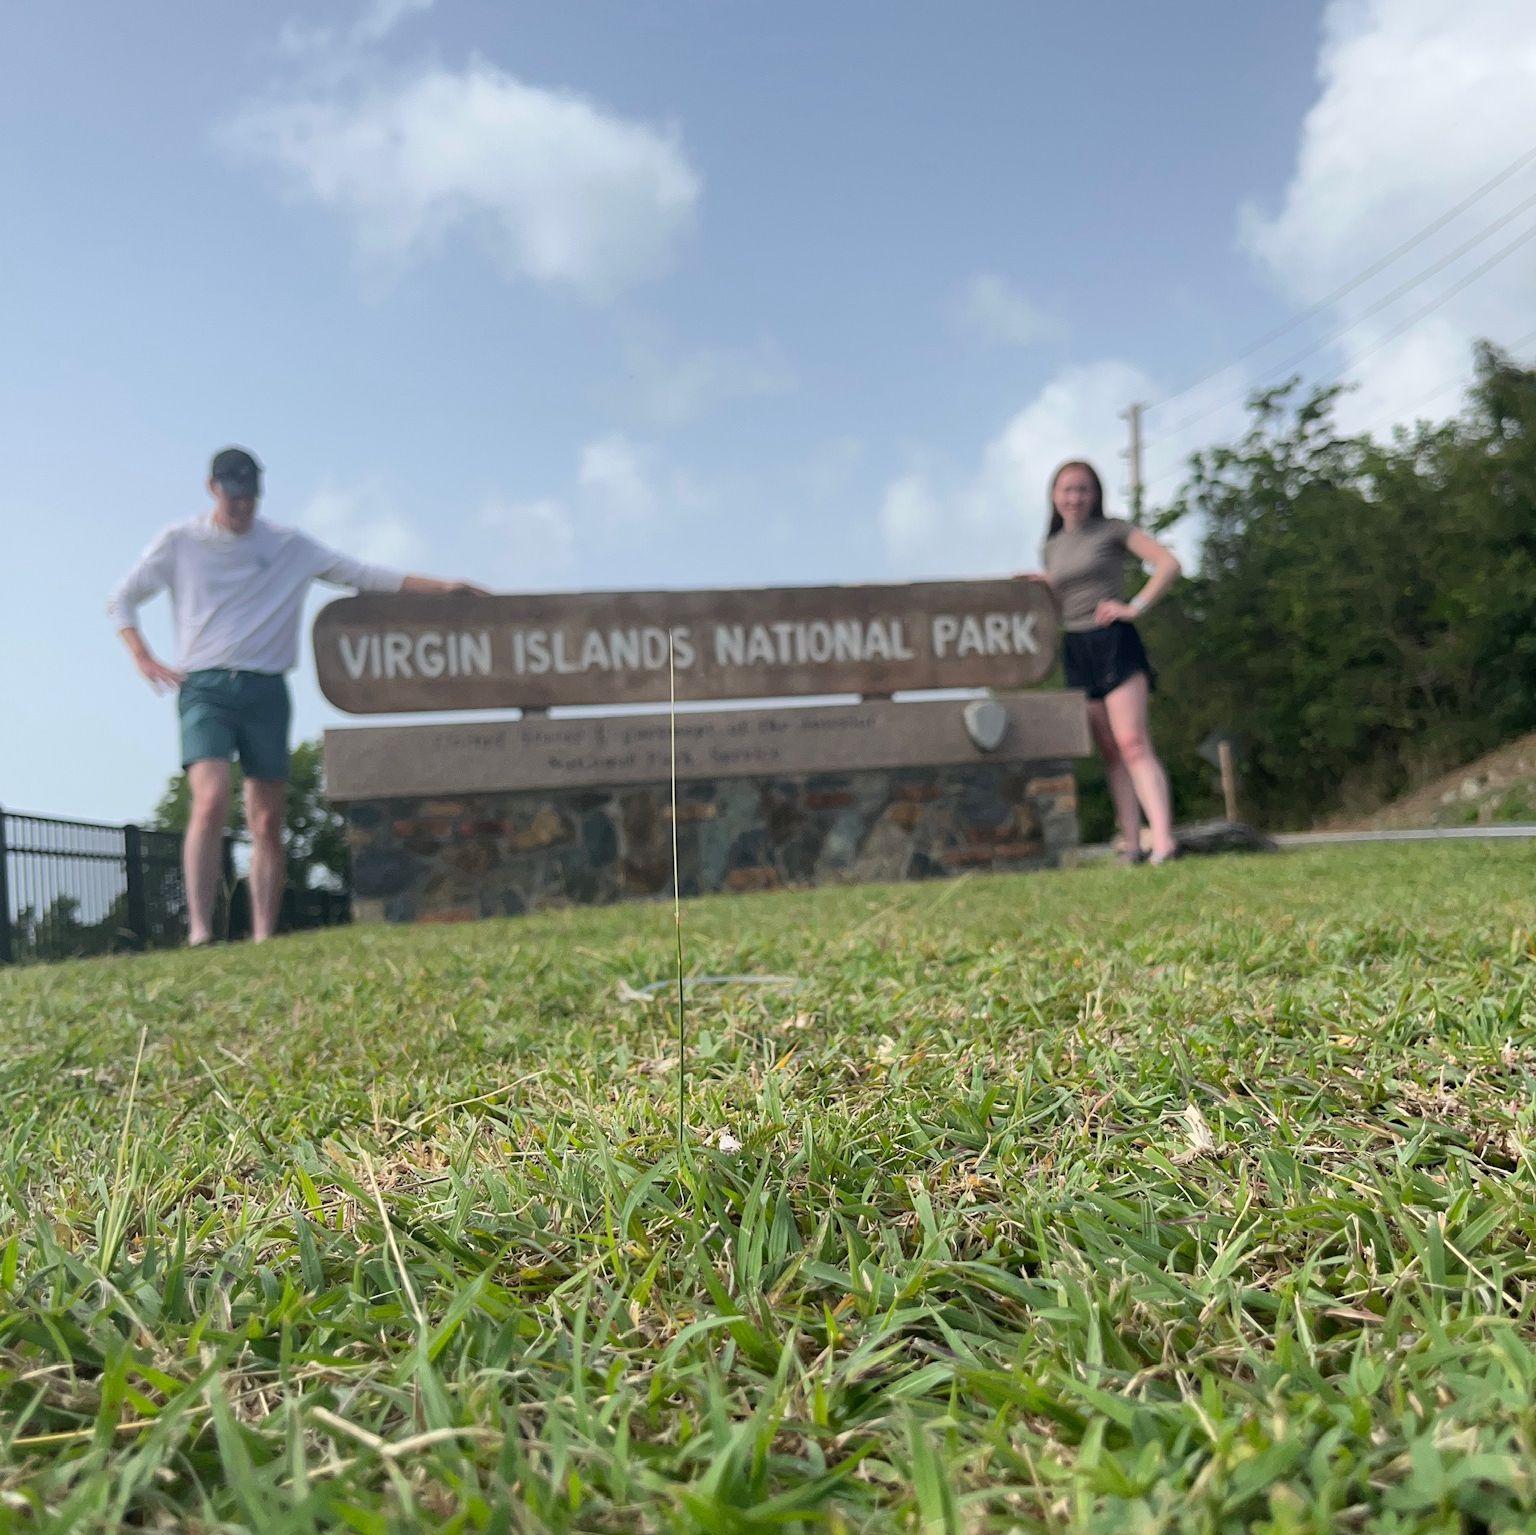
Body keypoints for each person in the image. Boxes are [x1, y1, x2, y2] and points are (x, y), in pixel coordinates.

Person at [109, 446, 486, 945]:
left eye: (251, 495)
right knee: (211, 799)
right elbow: (122, 600)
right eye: (233, 494)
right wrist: (143, 655)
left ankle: (264, 933)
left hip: (267, 688)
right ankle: (200, 930)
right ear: (212, 488)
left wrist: (444, 589)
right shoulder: (180, 541)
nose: (243, 505)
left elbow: (363, 575)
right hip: (205, 687)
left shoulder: (290, 546)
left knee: (266, 819)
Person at [1035, 459, 1182, 865]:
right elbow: (1058, 592)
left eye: (1083, 489)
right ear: (1054, 496)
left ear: (1095, 494)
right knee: (1110, 751)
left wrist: (1134, 606)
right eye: (1067, 489)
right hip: (1077, 646)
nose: (1075, 497)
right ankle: (1132, 844)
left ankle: (1164, 840)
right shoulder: (1050, 546)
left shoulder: (1113, 530)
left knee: (1133, 742)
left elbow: (1168, 564)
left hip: (1115, 640)